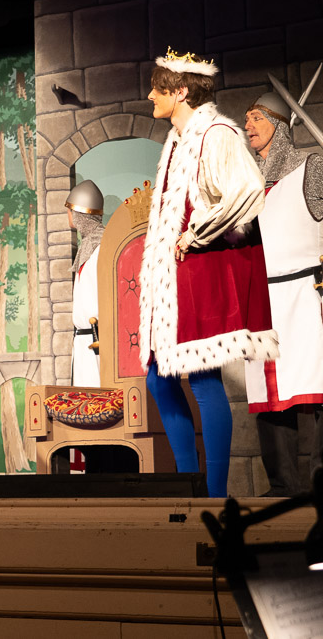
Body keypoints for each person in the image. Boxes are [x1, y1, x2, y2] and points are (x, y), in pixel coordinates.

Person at [137, 49, 277, 498]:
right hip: (174, 281)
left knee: (202, 377)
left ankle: (213, 496)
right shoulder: (176, 141)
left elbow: (248, 189)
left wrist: (198, 233)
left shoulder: (217, 134)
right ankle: (190, 484)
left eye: (157, 88)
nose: (150, 96)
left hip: (200, 273)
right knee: (158, 378)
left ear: (180, 91)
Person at [242, 92, 323, 496]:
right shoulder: (247, 185)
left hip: (308, 291)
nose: (248, 125)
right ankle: (283, 483)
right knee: (268, 394)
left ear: (278, 123)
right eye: (246, 119)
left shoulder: (312, 167)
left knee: (319, 384)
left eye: (256, 117)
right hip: (263, 300)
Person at [66, 180, 105, 388]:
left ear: (80, 214)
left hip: (98, 340)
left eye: (70, 211)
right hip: (83, 340)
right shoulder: (88, 246)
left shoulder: (102, 247)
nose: (68, 215)